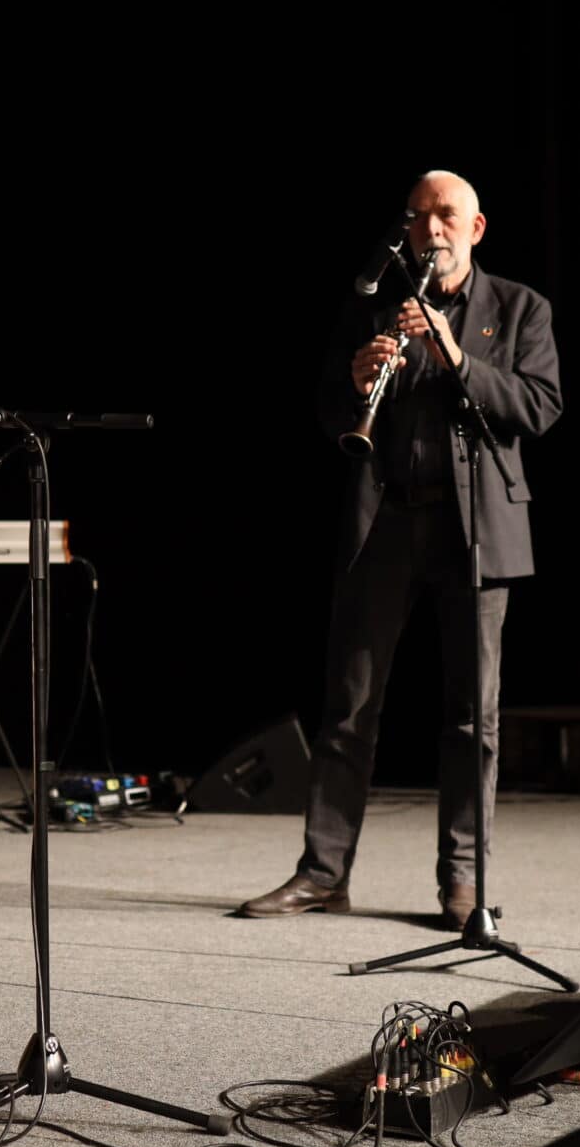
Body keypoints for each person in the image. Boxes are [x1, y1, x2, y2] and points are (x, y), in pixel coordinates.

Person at [241, 171, 562, 927]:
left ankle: (463, 881)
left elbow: (539, 406)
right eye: (418, 217)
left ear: (475, 228)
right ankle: (323, 873)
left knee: (471, 719)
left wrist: (457, 356)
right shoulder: (373, 307)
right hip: (385, 522)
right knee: (348, 707)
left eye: (445, 215)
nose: (431, 228)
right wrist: (358, 386)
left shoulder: (520, 308)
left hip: (475, 526)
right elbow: (329, 410)